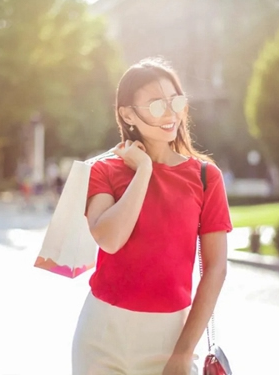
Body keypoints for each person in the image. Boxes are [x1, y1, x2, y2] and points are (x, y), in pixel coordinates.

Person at [72, 58, 233, 375]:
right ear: (128, 114)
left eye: (176, 101)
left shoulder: (205, 177)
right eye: (157, 105)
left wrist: (183, 353)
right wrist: (144, 170)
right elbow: (110, 239)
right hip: (100, 335)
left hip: (170, 338)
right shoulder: (104, 170)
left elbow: (216, 268)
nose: (171, 114)